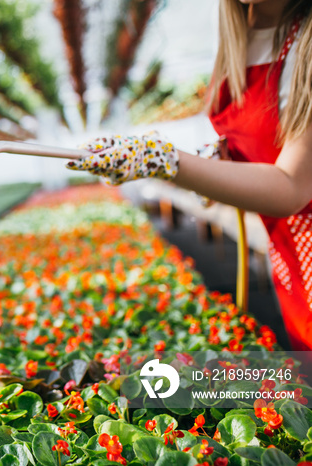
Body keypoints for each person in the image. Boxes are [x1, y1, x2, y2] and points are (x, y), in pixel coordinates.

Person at [67, 0, 312, 354]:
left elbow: (291, 187)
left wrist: (165, 160)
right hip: (285, 253)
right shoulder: (237, 36)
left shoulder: (304, 41)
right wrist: (224, 163)